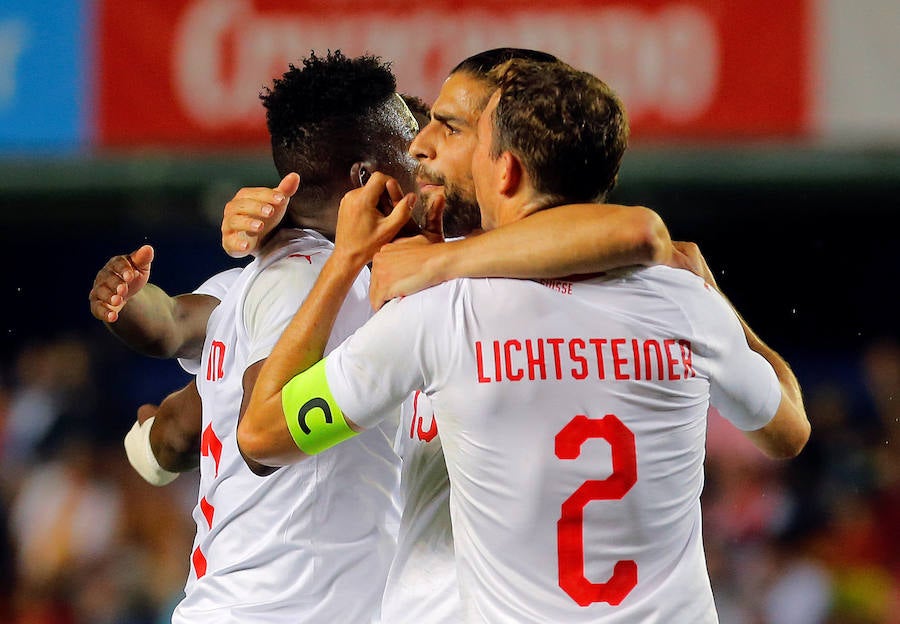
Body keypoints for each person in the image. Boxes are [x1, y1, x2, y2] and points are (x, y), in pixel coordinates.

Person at [236, 57, 810, 622]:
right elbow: (789, 432)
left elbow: (262, 437)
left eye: (457, 130)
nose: (423, 146)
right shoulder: (684, 303)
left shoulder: (440, 312)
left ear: (503, 169)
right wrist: (714, 300)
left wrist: (349, 260)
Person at [90, 51, 420, 623]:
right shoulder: (305, 279)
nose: (424, 162)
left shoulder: (260, 280)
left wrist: (155, 439)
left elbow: (178, 422)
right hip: (288, 610)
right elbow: (261, 423)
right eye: (410, 146)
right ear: (367, 179)